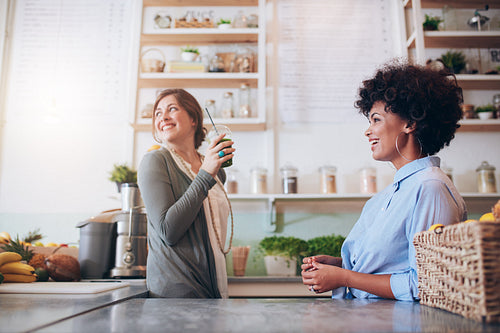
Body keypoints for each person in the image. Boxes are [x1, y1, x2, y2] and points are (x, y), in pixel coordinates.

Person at [301, 60, 467, 301]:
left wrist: (344, 278)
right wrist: (339, 267)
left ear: (410, 122)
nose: (368, 131)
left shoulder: (430, 188)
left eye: (376, 120)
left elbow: (425, 283)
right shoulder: (388, 195)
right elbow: (390, 265)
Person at [138, 88, 235, 298]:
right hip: (177, 296)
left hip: (214, 290)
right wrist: (206, 173)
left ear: (193, 119)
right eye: (158, 113)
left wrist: (209, 170)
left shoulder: (217, 169)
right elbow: (168, 231)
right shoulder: (155, 161)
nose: (163, 117)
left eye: (172, 109)